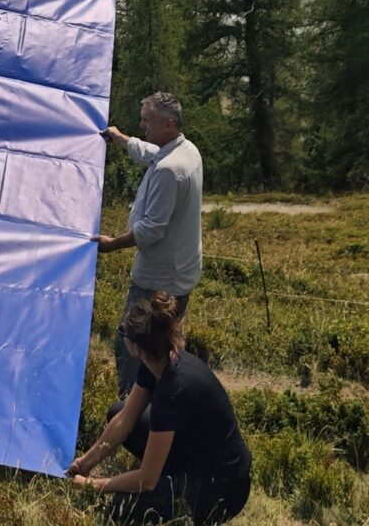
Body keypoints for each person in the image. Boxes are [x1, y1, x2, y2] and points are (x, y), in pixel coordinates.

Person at [68, 291, 252, 522]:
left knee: (122, 509)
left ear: (135, 347)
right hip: (198, 454)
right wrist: (85, 463)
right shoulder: (158, 358)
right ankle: (170, 475)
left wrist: (93, 486)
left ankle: (178, 489)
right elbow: (125, 419)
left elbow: (146, 480)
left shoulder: (172, 390)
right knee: (118, 410)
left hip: (223, 488)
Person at [98, 91, 205, 401]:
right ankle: (168, 394)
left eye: (147, 120)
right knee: (165, 341)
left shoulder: (169, 170)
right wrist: (120, 138)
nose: (142, 125)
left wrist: (112, 244)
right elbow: (149, 151)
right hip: (180, 272)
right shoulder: (185, 151)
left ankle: (132, 402)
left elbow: (151, 230)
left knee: (131, 339)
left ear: (168, 123)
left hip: (159, 279)